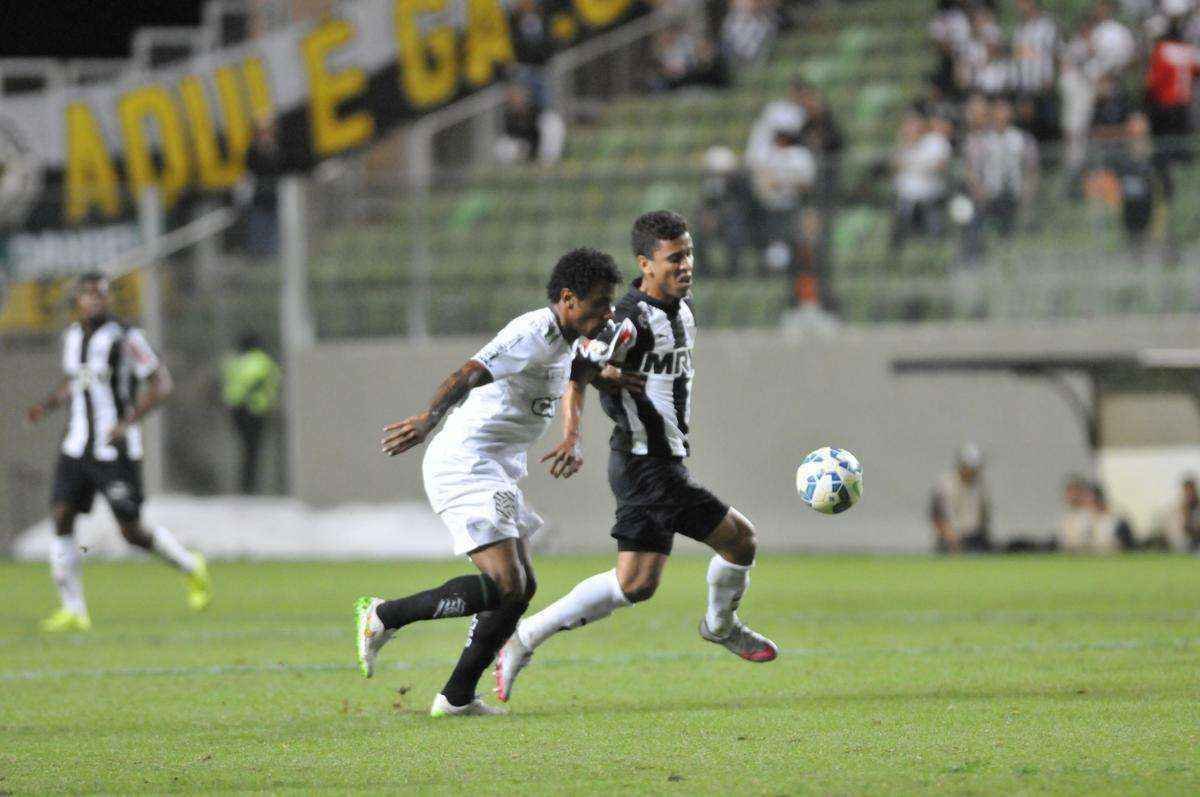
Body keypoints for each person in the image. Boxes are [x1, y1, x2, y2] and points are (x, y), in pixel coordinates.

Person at [495, 211, 778, 705]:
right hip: (645, 465)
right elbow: (578, 370)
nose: (686, 265)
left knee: (636, 583)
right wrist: (573, 435)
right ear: (645, 264)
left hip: (659, 463)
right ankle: (720, 625)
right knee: (741, 540)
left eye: (688, 254)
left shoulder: (681, 306)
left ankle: (523, 637)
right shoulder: (626, 320)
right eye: (674, 258)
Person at [353, 248, 635, 717]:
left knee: (521, 589)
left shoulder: (574, 338)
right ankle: (383, 616)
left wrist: (574, 432)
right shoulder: (532, 332)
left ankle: (457, 696)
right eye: (600, 303)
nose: (608, 313)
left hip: (498, 467)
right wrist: (428, 418)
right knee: (506, 582)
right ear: (568, 299)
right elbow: (468, 372)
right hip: (464, 461)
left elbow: (579, 375)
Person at [25, 271, 211, 632]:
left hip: (115, 448)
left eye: (100, 294)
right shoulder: (73, 337)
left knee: (131, 531)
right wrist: (47, 406)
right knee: (62, 515)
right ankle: (74, 610)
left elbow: (161, 383)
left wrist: (128, 422)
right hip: (76, 445)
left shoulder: (126, 337)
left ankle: (191, 566)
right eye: (88, 294)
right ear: (78, 299)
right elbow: (75, 381)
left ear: (109, 299)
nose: (94, 300)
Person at [221, 332, 281, 494]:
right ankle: (250, 485)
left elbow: (228, 382)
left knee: (245, 448)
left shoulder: (235, 361)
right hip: (255, 409)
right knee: (252, 449)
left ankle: (245, 484)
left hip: (236, 409)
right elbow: (268, 381)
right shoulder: (262, 361)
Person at [929, 443, 991, 553]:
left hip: (974, 539)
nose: (973, 471)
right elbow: (936, 515)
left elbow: (983, 515)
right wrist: (949, 536)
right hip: (950, 539)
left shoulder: (980, 485)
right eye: (970, 467)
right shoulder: (945, 485)